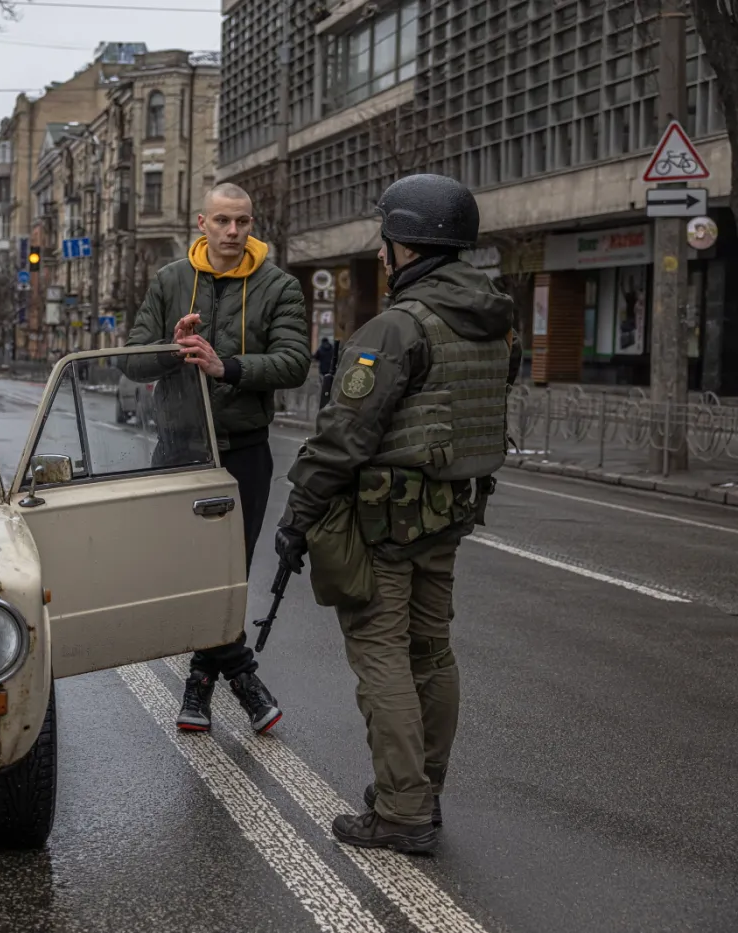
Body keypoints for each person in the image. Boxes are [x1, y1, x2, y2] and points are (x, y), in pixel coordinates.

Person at [274, 174, 519, 854]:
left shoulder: (399, 326)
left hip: (385, 523)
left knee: (381, 651)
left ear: (404, 245)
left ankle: (402, 809)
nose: (381, 253)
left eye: (386, 239)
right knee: (432, 651)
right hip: (448, 514)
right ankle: (423, 790)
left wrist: (298, 515)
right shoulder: (493, 321)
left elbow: (341, 436)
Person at [124, 183, 311, 735]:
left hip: (244, 452)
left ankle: (199, 685)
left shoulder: (279, 286)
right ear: (201, 223)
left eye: (244, 221)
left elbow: (296, 361)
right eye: (223, 221)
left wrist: (226, 366)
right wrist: (170, 346)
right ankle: (243, 677)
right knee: (186, 573)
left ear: (253, 225)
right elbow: (134, 361)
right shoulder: (170, 280)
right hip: (180, 451)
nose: (234, 231)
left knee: (229, 575)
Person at [314, 337, 337, 407]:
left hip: (323, 370)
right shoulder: (332, 348)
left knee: (323, 384)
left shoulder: (320, 349)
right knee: (331, 384)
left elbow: (315, 357)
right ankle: (330, 396)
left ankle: (323, 397)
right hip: (331, 370)